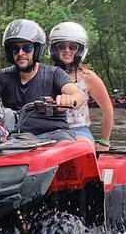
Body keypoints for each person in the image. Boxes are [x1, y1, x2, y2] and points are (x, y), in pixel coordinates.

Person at [0, 19, 85, 141]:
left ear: (36, 50)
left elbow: (77, 96)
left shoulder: (54, 73)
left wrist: (69, 99)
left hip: (54, 135)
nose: (21, 53)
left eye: (27, 48)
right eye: (15, 49)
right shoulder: (4, 76)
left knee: (64, 150)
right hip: (15, 138)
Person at [48, 22, 114, 152]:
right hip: (50, 129)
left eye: (73, 47)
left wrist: (104, 142)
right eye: (62, 46)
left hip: (78, 131)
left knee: (77, 150)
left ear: (80, 50)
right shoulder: (45, 74)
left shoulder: (88, 77)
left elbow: (107, 108)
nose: (67, 50)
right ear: (55, 49)